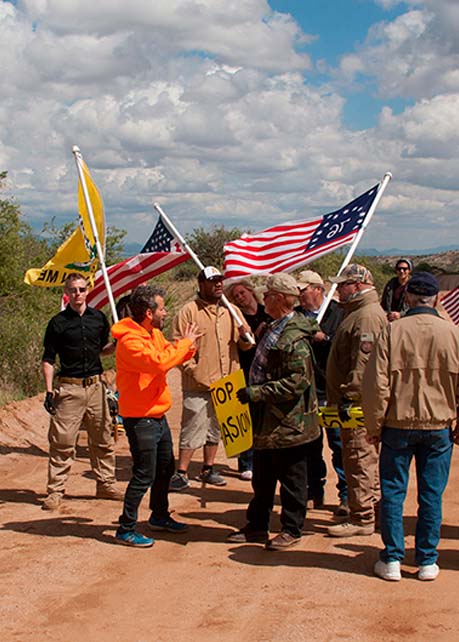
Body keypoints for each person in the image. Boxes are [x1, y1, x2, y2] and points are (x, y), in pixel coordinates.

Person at [362, 272, 459, 581]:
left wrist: (373, 425)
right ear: (437, 299)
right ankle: (427, 560)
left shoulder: (392, 332)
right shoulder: (452, 333)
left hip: (397, 423)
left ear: (407, 298)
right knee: (431, 494)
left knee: (393, 492)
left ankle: (392, 558)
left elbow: (376, 384)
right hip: (438, 424)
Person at [227, 273, 320, 550]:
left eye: (267, 295)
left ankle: (291, 528)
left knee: (292, 479)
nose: (262, 298)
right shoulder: (274, 327)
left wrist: (257, 392)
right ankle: (257, 526)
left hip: (290, 423)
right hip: (267, 421)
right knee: (263, 478)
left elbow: (297, 382)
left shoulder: (294, 338)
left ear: (279, 298)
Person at [111, 285, 201, 547]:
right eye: (162, 308)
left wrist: (187, 346)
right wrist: (183, 345)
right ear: (149, 312)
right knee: (143, 474)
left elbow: (169, 356)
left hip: (157, 415)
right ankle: (125, 528)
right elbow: (159, 362)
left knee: (164, 469)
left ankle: (159, 516)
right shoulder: (130, 341)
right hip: (140, 419)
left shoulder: (153, 334)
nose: (166, 311)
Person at [41, 272, 123, 511]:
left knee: (103, 439)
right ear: (66, 293)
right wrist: (48, 391)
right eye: (73, 290)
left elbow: (102, 350)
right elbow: (48, 359)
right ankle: (55, 491)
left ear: (87, 291)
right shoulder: (57, 323)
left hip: (96, 387)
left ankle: (106, 484)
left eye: (82, 289)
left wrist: (118, 345)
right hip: (69, 389)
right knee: (62, 442)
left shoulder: (98, 318)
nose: (78, 294)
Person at [170, 266, 252, 490]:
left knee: (215, 428)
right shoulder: (188, 311)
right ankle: (182, 472)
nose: (218, 284)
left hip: (227, 383)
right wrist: (194, 370)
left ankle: (208, 468)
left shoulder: (231, 311)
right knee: (192, 427)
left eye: (220, 280)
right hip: (198, 385)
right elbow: (179, 347)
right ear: (201, 284)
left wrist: (246, 333)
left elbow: (246, 345)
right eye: (212, 281)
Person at [326, 264, 387, 537]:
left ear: (358, 285)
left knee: (358, 456)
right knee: (361, 457)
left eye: (343, 285)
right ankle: (369, 510)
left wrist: (350, 397)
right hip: (355, 401)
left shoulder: (367, 317)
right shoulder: (357, 313)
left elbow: (364, 365)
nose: (338, 289)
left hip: (358, 403)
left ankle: (362, 517)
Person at [295, 270, 348, 516]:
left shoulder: (339, 312)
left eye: (304, 289)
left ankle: (346, 495)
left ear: (318, 289)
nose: (300, 294)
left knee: (340, 445)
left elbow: (346, 344)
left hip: (334, 392)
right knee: (309, 447)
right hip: (306, 393)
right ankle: (313, 490)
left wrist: (324, 338)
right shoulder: (296, 316)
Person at [225, 279, 271, 480]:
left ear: (251, 291)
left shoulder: (266, 311)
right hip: (244, 369)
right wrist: (249, 336)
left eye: (242, 293)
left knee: (264, 417)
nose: (240, 298)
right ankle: (246, 462)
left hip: (267, 372)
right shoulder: (236, 316)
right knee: (245, 417)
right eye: (236, 296)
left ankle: (264, 460)